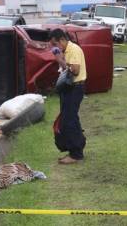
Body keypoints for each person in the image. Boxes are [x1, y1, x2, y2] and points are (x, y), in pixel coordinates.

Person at [50, 29, 87, 164]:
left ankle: (76, 154)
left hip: (75, 88)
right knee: (70, 119)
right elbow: (68, 69)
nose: (55, 47)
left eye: (55, 44)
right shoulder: (67, 50)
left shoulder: (73, 50)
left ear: (61, 40)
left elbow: (75, 71)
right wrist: (61, 60)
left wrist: (61, 60)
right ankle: (78, 145)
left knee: (69, 121)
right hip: (70, 88)